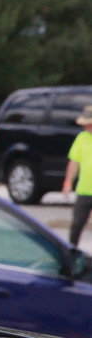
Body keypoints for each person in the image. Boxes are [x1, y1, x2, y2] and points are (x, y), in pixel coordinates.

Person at [62, 105, 92, 246]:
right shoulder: (81, 138)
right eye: (85, 125)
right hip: (84, 189)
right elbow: (74, 162)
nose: (87, 127)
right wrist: (68, 182)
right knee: (77, 224)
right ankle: (72, 251)